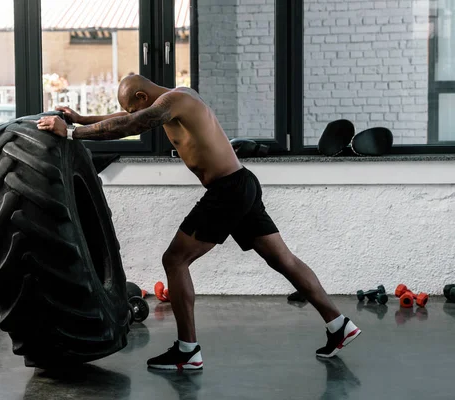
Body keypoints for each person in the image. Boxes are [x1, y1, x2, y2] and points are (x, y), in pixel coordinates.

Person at [37, 74, 361, 371]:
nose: (129, 112)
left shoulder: (177, 101)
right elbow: (127, 118)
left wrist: (73, 133)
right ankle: (338, 324)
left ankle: (187, 350)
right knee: (282, 259)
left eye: (131, 106)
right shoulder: (169, 101)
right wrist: (81, 118)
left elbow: (135, 123)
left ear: (141, 95)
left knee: (174, 260)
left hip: (228, 191)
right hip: (240, 183)